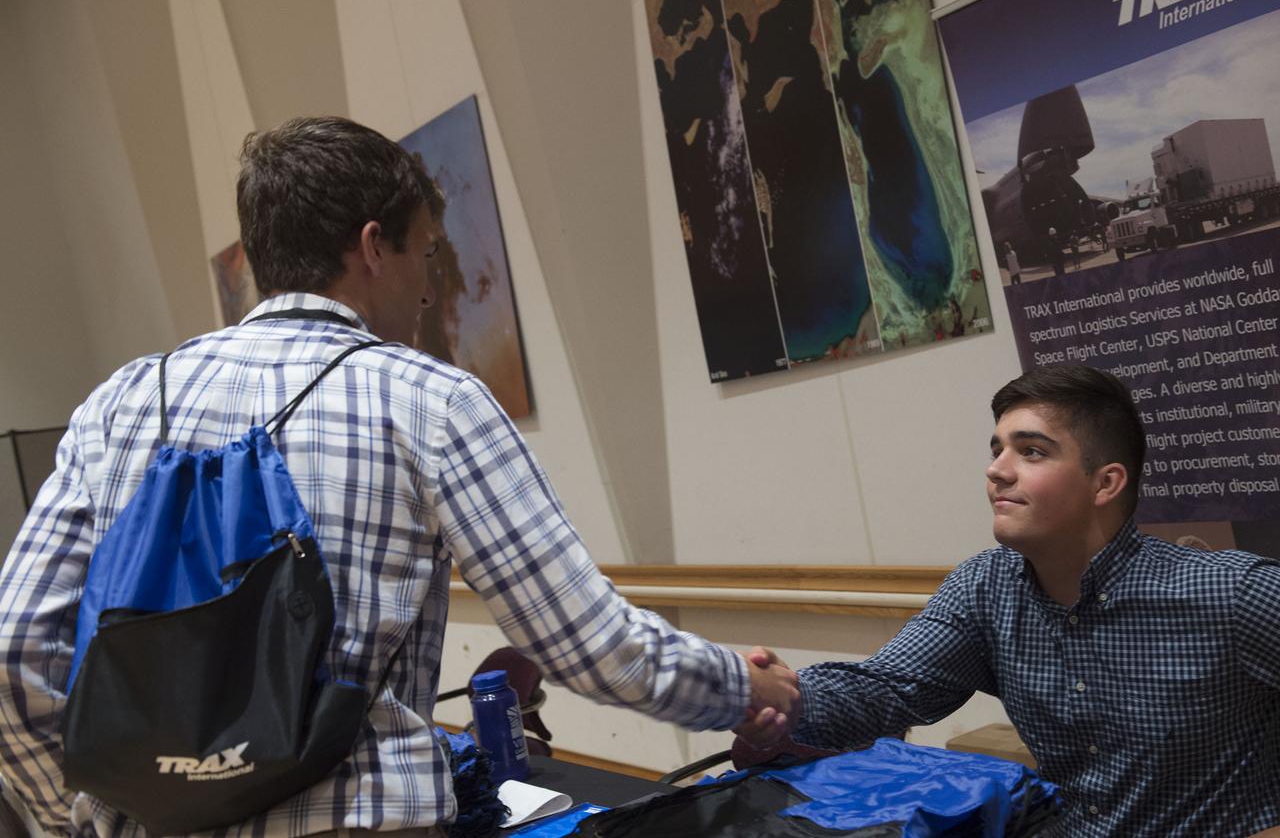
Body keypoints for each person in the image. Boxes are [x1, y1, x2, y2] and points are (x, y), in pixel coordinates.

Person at [0, 117, 797, 837]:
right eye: (428, 253)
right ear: (374, 246)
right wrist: (750, 689)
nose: (429, 286)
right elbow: (595, 647)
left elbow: (14, 654)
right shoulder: (427, 401)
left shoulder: (122, 402)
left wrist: (79, 817)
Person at [739, 364, 1280, 836]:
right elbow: (884, 691)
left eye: (1032, 451)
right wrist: (771, 693)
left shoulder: (1232, 592)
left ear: (1106, 483)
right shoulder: (986, 588)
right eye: (998, 449)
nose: (996, 469)